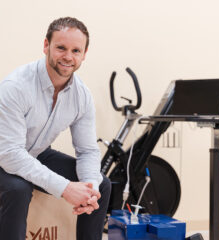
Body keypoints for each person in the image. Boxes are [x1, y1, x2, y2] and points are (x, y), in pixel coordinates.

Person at [0, 17, 111, 240]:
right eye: (61, 47)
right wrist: (65, 188)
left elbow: (87, 151)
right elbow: (10, 154)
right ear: (46, 46)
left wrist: (90, 191)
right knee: (18, 189)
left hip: (36, 152)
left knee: (102, 184)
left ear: (84, 54)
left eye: (76, 50)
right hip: (4, 156)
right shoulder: (16, 87)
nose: (68, 57)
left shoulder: (82, 95)